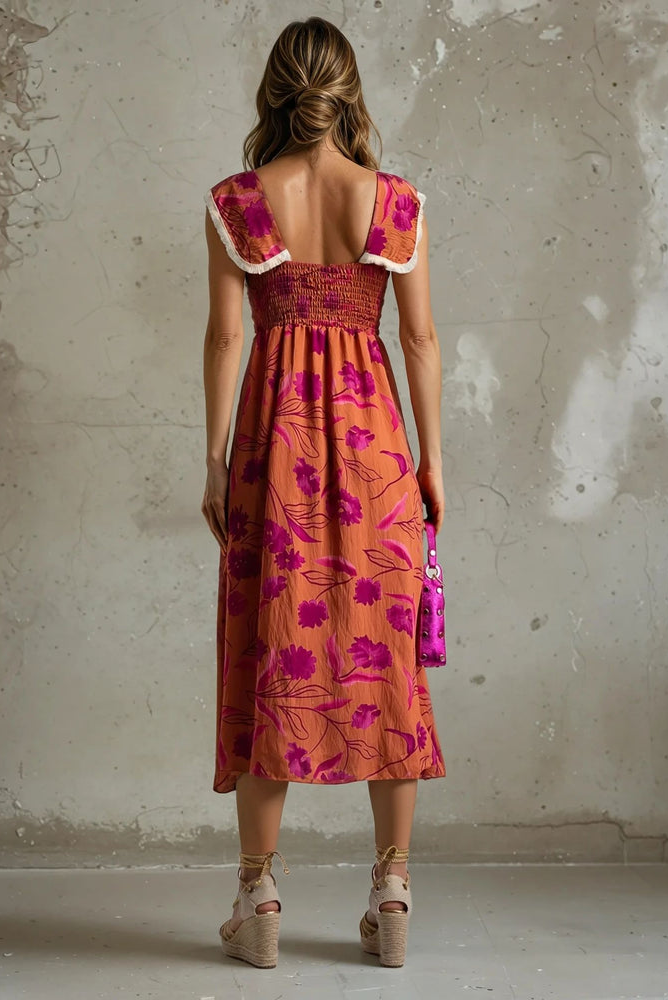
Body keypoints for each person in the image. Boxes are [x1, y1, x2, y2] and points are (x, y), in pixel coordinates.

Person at [201, 16, 446, 970]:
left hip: (274, 448)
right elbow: (419, 341)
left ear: (275, 90)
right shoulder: (394, 203)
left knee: (271, 650)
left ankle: (258, 893)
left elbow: (228, 339)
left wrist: (214, 459)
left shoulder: (237, 202)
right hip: (378, 441)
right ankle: (391, 887)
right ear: (347, 92)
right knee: (385, 659)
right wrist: (433, 461)